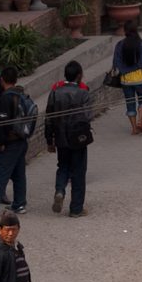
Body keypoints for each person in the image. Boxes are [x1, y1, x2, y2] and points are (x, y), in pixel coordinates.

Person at [42, 61, 90, 219]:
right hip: (78, 138)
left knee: (63, 167)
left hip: (61, 138)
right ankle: (76, 208)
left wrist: (49, 140)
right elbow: (87, 116)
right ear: (79, 75)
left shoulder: (55, 92)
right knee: (78, 171)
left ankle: (60, 190)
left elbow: (49, 118)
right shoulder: (83, 93)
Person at [0, 69, 31, 217]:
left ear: (2, 80)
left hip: (11, 142)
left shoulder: (6, 97)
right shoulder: (21, 94)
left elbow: (3, 122)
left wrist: (1, 142)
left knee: (1, 175)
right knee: (19, 173)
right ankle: (19, 204)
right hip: (22, 139)